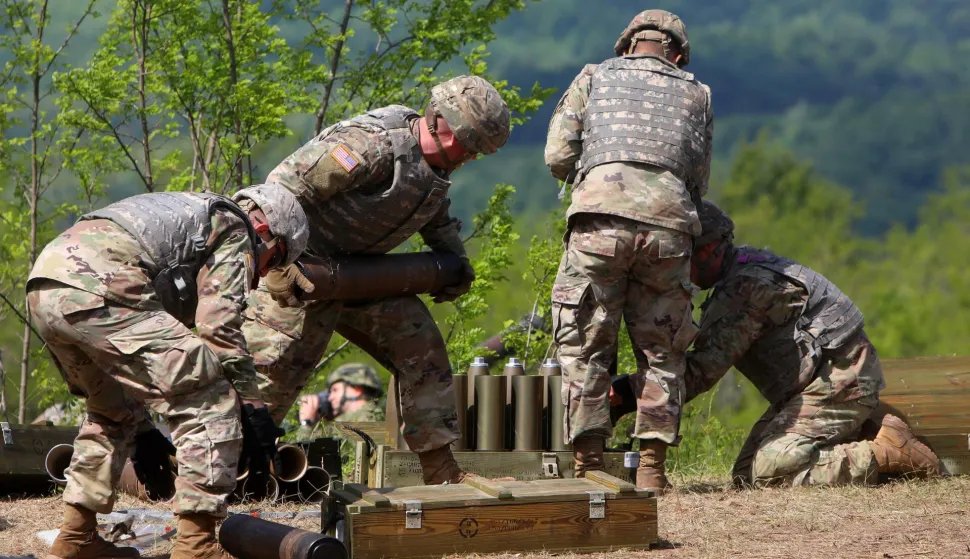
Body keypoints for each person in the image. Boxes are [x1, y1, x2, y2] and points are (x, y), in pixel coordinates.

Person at [242, 75, 511, 485]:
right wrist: (279, 263)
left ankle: (440, 471)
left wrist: (455, 259)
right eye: (469, 143)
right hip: (298, 273)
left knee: (420, 343)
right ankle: (220, 478)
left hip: (357, 277)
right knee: (269, 378)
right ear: (439, 121)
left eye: (481, 150)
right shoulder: (371, 146)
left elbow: (433, 212)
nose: (472, 156)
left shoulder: (435, 167)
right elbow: (278, 191)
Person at [27, 184, 309, 559]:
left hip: (45, 287)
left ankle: (76, 538)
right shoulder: (235, 227)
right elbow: (218, 329)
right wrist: (253, 408)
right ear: (267, 235)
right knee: (210, 396)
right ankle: (197, 546)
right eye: (274, 262)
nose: (263, 275)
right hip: (100, 286)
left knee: (113, 410)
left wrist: (144, 428)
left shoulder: (187, 214)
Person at [544, 9, 714, 492]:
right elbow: (698, 177)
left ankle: (590, 466)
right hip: (668, 229)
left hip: (598, 225)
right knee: (662, 349)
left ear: (627, 46)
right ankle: (653, 470)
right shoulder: (697, 92)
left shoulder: (594, 77)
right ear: (677, 55)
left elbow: (558, 155)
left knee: (585, 343)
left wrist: (595, 178)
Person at [681, 201, 939, 487]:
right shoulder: (745, 267)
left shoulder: (745, 288)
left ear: (705, 250)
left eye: (679, 255)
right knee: (746, 475)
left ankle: (884, 451)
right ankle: (864, 437)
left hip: (842, 379)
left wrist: (632, 394)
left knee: (769, 472)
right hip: (823, 382)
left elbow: (700, 372)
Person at [298, 363, 385, 478]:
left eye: (335, 390)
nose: (330, 397)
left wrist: (307, 423)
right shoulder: (358, 420)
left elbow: (308, 461)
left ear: (356, 389)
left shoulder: (365, 420)